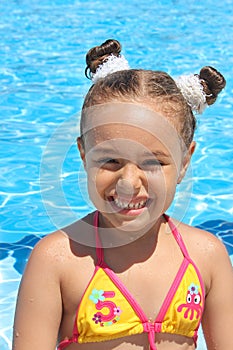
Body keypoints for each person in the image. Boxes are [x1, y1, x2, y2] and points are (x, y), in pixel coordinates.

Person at [12, 39, 233, 350]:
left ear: (185, 163)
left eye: (153, 162)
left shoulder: (206, 257)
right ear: (83, 155)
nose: (129, 182)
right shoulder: (57, 262)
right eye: (110, 160)